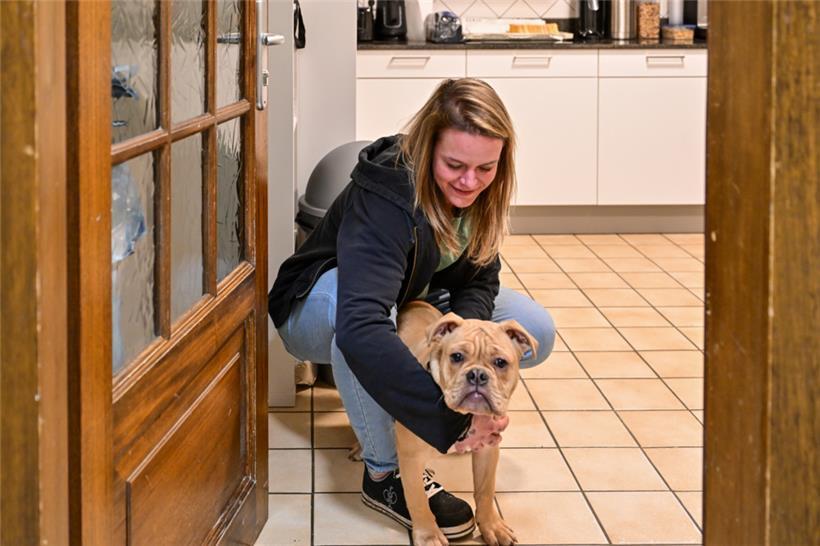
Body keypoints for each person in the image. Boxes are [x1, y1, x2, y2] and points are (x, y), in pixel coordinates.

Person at [268, 78, 555, 538]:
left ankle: (406, 414)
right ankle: (385, 473)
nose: (470, 181)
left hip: (408, 296)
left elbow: (479, 278)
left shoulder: (482, 191)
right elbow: (361, 325)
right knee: (362, 320)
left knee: (537, 325)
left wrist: (469, 350)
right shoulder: (388, 195)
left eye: (486, 168)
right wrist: (448, 423)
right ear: (428, 149)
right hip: (314, 304)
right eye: (455, 165)